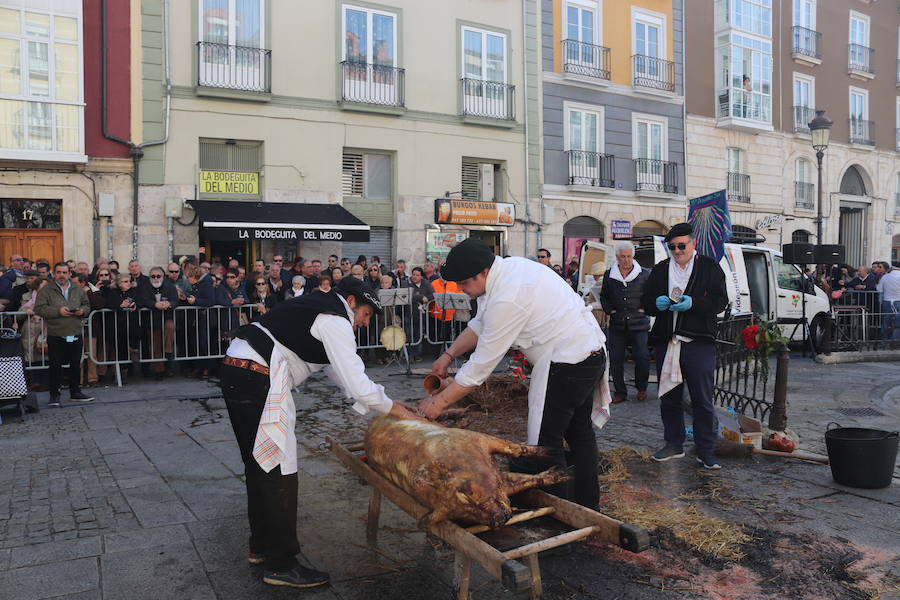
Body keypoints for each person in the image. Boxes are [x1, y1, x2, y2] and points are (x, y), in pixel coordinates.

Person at [220, 277, 418, 588]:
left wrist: (385, 403)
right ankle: (282, 563)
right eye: (366, 314)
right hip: (258, 374)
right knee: (279, 466)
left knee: (260, 464)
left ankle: (262, 547)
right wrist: (393, 408)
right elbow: (355, 382)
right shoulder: (335, 318)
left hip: (239, 367)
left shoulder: (318, 312)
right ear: (351, 302)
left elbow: (340, 375)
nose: (365, 324)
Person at [419, 238, 610, 509]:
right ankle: (587, 507)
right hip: (586, 353)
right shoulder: (507, 271)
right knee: (579, 434)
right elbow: (480, 324)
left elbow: (481, 367)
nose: (462, 290)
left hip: (568, 361)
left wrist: (438, 403)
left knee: (546, 444)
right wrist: (448, 355)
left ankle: (559, 515)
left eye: (463, 284)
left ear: (482, 273)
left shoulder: (508, 295)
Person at [640, 223, 728, 470]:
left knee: (702, 398)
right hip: (667, 340)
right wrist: (655, 304)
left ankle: (706, 450)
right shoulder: (660, 270)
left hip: (697, 341)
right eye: (672, 247)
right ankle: (673, 444)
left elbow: (721, 301)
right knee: (669, 396)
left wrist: (694, 303)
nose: (677, 250)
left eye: (681, 246)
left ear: (693, 244)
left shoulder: (709, 268)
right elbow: (646, 302)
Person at [33, 262, 94, 406]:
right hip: (56, 334)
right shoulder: (46, 290)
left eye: (65, 272)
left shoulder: (78, 289)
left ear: (69, 274)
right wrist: (57, 312)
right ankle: (54, 395)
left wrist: (82, 311)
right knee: (55, 365)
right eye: (59, 272)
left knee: (75, 364)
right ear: (54, 274)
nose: (62, 275)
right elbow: (39, 309)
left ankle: (76, 392)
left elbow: (87, 304)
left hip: (75, 332)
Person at [599, 241, 650, 404]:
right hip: (618, 323)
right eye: (623, 257)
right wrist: (610, 310)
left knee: (642, 357)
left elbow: (651, 294)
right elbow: (604, 296)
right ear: (617, 257)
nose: (626, 260)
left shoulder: (645, 274)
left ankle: (642, 388)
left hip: (639, 323)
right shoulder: (609, 275)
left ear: (633, 256)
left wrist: (645, 308)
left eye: (629, 256)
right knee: (616, 359)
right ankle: (620, 392)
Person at [137, 266, 179, 380]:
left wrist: (168, 304)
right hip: (152, 320)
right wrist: (154, 305)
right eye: (153, 276)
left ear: (163, 276)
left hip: (166, 317)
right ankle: (159, 371)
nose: (156, 278)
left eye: (158, 276)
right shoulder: (145, 287)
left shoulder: (170, 286)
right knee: (155, 345)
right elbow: (143, 300)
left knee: (170, 327)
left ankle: (168, 352)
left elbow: (176, 300)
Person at [877, 264, 900, 340]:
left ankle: (883, 340)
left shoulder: (885, 277)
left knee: (886, 321)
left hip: (887, 301)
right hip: (898, 301)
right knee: (898, 322)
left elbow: (879, 290)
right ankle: (895, 340)